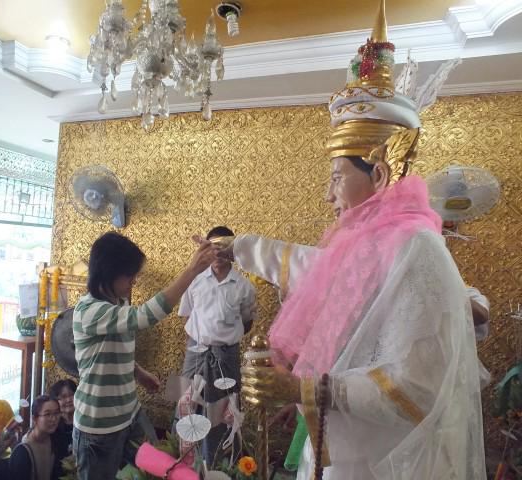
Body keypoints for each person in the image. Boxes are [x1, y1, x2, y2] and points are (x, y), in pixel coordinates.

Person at [230, 2, 486, 478]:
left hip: (383, 461)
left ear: (380, 174)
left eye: (336, 177)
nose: (328, 195)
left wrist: (304, 389)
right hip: (340, 444)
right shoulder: (368, 246)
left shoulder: (416, 246)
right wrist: (237, 247)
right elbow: (305, 266)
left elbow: (417, 385)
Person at [72, 231, 214, 480]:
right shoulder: (89, 311)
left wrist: (138, 373)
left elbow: (110, 351)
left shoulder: (118, 303)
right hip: (99, 427)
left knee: (161, 469)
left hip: (130, 413)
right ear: (109, 272)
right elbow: (145, 316)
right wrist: (192, 270)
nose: (134, 282)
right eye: (129, 275)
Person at [178, 225, 256, 466]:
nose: (218, 252)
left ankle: (220, 465)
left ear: (232, 250)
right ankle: (184, 465)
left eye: (224, 246)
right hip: (196, 353)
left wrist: (223, 340)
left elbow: (247, 322)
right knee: (187, 407)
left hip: (226, 356)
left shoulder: (244, 286)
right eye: (213, 246)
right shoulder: (194, 281)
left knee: (223, 413)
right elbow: (186, 315)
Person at [9, 395, 67, 480]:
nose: (53, 419)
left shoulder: (57, 438)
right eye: (47, 414)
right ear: (34, 418)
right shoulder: (22, 451)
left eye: (56, 413)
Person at [48, 379, 76, 453]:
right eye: (63, 397)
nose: (68, 400)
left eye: (72, 395)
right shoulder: (52, 426)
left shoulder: (85, 423)